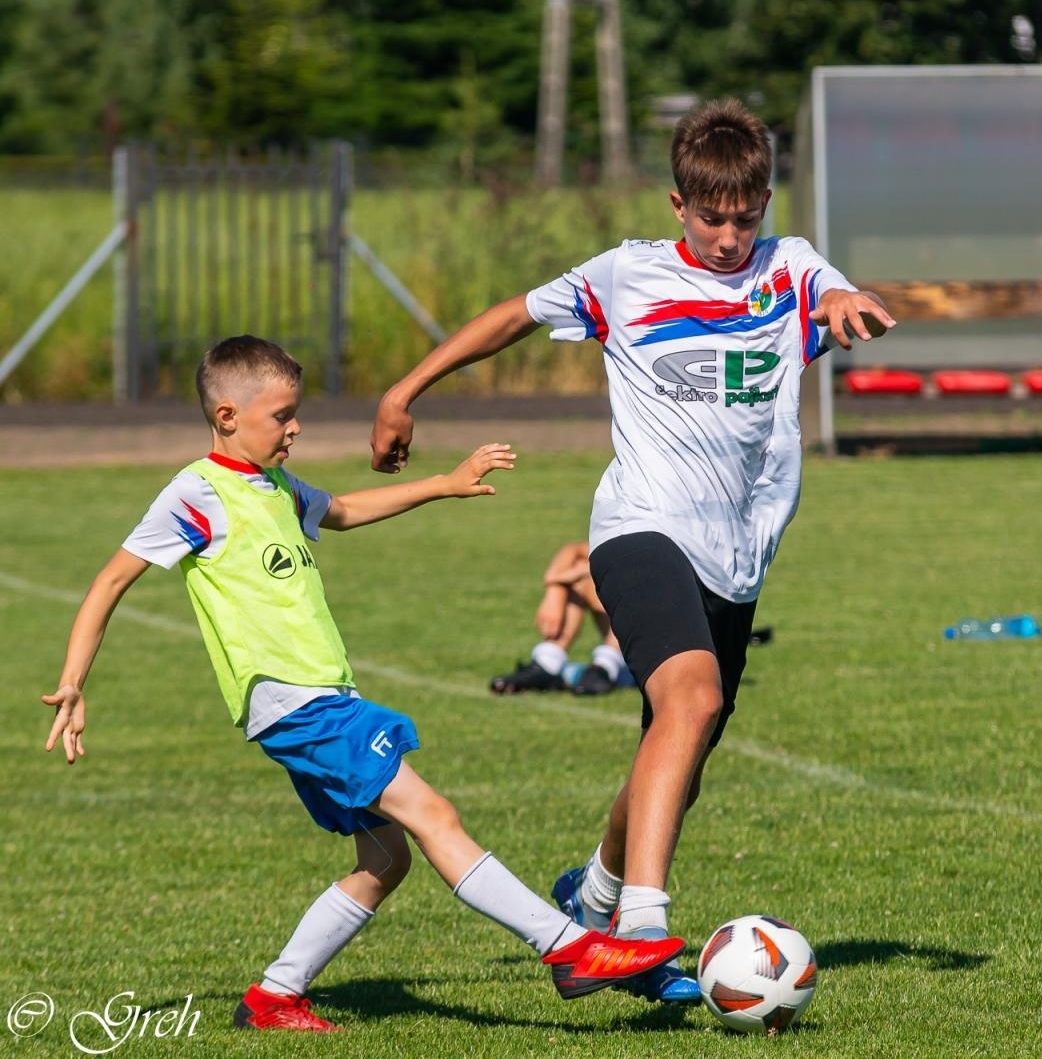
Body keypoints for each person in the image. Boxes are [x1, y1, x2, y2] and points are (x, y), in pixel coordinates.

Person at [370, 98, 894, 1002]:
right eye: (713, 217)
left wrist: (848, 301)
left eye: (748, 216)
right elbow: (512, 317)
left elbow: (833, 292)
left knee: (679, 751)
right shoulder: (628, 276)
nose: (732, 236)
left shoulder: (789, 268)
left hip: (739, 551)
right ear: (677, 205)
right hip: (640, 527)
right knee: (688, 699)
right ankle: (642, 928)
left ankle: (598, 892)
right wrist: (405, 389)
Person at [40, 336, 685, 1033]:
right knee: (434, 814)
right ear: (226, 416)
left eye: (296, 415)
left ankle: (274, 997)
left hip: (319, 702)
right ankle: (568, 949)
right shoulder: (196, 493)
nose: (295, 429)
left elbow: (341, 509)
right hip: (297, 704)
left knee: (384, 859)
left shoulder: (278, 488)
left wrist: (442, 484)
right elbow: (110, 579)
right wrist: (73, 683)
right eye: (281, 416)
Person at [490, 541, 633, 697]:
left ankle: (608, 665)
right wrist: (555, 590)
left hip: (653, 648)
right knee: (584, 567)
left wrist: (571, 575)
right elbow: (575, 550)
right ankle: (548, 663)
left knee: (624, 578)